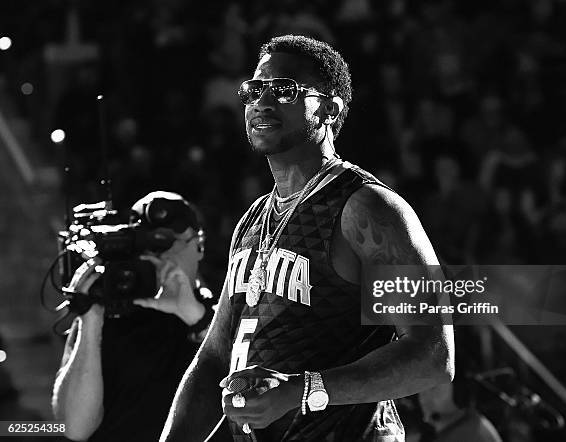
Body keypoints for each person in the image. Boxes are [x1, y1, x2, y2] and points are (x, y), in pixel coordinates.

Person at [161, 35, 455, 442]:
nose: (262, 101)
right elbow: (214, 359)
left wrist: (305, 389)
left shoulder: (367, 208)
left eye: (284, 90)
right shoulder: (252, 220)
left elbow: (432, 355)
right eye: (254, 90)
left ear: (330, 108)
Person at [52, 191, 216, 442]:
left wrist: (193, 314)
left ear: (199, 245)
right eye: (150, 246)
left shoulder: (217, 317)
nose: (162, 257)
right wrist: (92, 319)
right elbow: (75, 428)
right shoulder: (105, 315)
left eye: (169, 242)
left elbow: (238, 387)